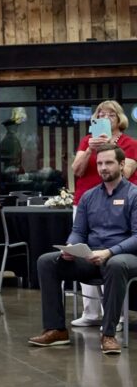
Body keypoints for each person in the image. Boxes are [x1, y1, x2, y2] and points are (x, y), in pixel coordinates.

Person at [29, 144, 137, 355]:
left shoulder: (134, 194)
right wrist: (71, 247)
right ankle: (56, 329)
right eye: (99, 163)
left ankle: (108, 334)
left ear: (122, 164)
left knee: (115, 264)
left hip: (126, 256)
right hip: (92, 257)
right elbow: (78, 231)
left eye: (109, 163)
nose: (103, 168)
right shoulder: (88, 197)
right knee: (47, 261)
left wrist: (110, 252)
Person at [70, 100, 137, 328]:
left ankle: (115, 314)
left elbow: (126, 173)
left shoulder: (129, 144)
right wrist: (90, 149)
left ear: (120, 119)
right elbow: (76, 170)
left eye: (110, 113)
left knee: (112, 258)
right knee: (84, 251)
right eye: (101, 113)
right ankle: (90, 312)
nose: (105, 116)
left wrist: (109, 148)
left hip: (119, 203)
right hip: (86, 201)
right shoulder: (87, 141)